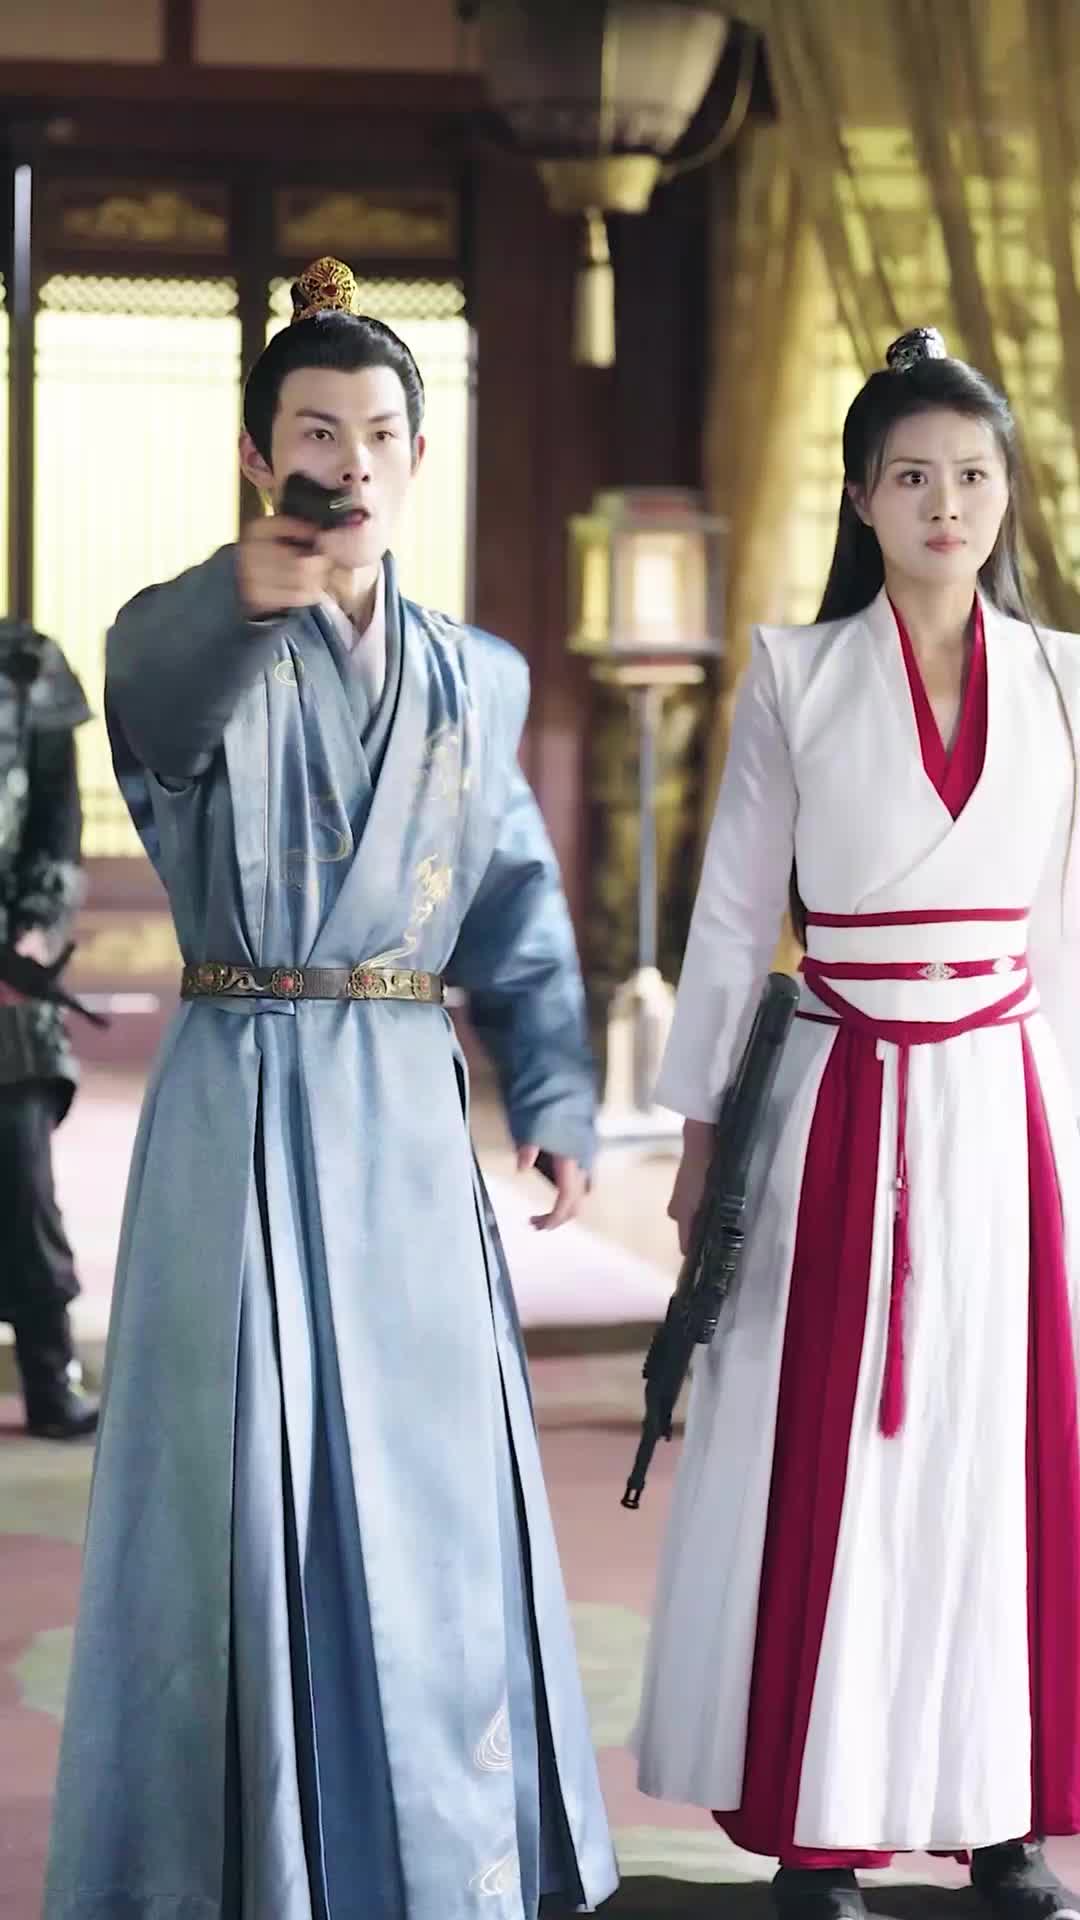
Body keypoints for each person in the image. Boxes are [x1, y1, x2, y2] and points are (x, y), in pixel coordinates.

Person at [45, 256, 617, 1920]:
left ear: (417, 459)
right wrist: (251, 587)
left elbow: (514, 906)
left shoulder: (477, 678)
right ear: (256, 454)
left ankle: (425, 1851)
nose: (349, 462)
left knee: (427, 1491)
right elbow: (153, 689)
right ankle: (240, 1863)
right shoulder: (186, 641)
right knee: (239, 1486)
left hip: (401, 1116)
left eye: (377, 434)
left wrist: (556, 1097)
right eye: (313, 432)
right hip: (239, 1100)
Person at [634, 327, 1080, 1920]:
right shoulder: (798, 675)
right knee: (833, 1443)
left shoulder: (1068, 678)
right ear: (860, 497)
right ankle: (818, 1830)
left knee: (992, 1450)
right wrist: (700, 1138)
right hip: (839, 1093)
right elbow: (732, 913)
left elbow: (1067, 936)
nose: (945, 503)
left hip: (1002, 1101)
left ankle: (1002, 1816)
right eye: (911, 476)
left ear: (1007, 493)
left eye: (971, 475)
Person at [0, 616, 96, 1440]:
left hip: (4, 967)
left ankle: (50, 1371)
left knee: (23, 1180)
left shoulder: (24, 665)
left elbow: (58, 820)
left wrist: (32, 933)